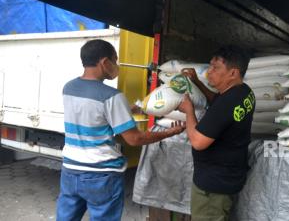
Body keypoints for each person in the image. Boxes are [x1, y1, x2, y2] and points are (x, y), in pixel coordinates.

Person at [56, 39, 185, 221]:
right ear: (105, 63)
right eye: (115, 61)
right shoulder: (111, 97)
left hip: (70, 169)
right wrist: (171, 132)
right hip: (101, 174)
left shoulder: (69, 88)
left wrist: (129, 109)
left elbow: (92, 116)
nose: (116, 66)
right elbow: (135, 139)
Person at [177, 45, 255, 221]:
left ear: (233, 73)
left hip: (212, 187)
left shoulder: (226, 104)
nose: (208, 73)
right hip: (228, 175)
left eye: (215, 68)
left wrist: (189, 111)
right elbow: (216, 100)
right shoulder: (244, 92)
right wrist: (196, 81)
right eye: (209, 66)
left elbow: (197, 141)